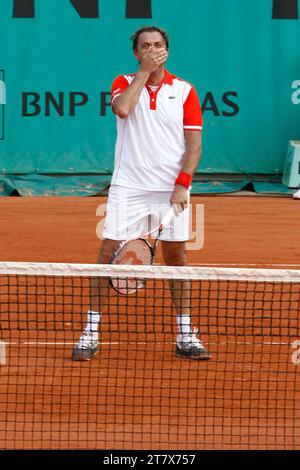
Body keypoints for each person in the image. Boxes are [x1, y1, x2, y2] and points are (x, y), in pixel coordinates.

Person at [72, 26, 211, 361]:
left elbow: (194, 144)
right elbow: (123, 109)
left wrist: (183, 183)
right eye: (145, 46)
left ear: (168, 50)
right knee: (107, 255)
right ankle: (90, 332)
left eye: (159, 45)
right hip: (129, 187)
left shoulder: (184, 90)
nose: (153, 49)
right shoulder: (123, 82)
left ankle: (185, 334)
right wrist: (144, 74)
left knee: (177, 259)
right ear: (136, 53)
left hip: (170, 190)